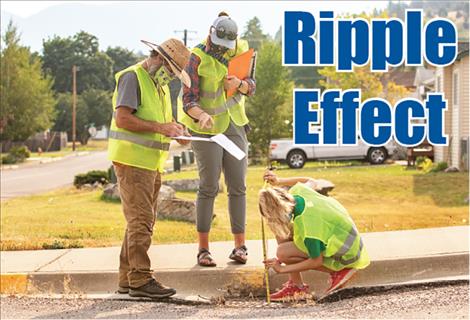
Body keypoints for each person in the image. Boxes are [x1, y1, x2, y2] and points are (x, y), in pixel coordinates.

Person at [108, 38, 191, 299]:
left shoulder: (160, 87)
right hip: (132, 162)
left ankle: (127, 279)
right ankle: (141, 279)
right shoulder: (133, 78)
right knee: (141, 221)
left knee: (139, 222)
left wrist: (177, 130)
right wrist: (161, 128)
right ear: (159, 59)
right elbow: (123, 118)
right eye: (171, 70)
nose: (172, 77)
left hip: (150, 163)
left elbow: (164, 121)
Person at [179, 12, 256, 267]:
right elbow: (188, 98)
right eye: (218, 45)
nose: (222, 51)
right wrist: (200, 115)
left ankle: (240, 247)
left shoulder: (243, 51)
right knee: (209, 186)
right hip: (206, 129)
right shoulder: (196, 56)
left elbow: (251, 85)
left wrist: (241, 85)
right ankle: (203, 250)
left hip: (234, 125)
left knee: (238, 185)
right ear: (211, 35)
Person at [260, 170, 370, 302]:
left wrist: (282, 269)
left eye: (273, 217)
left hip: (347, 254)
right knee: (281, 233)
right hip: (343, 236)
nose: (272, 221)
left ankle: (339, 271)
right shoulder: (298, 193)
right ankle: (296, 286)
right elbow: (311, 181)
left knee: (283, 253)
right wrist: (279, 181)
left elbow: (316, 261)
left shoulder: (310, 228)